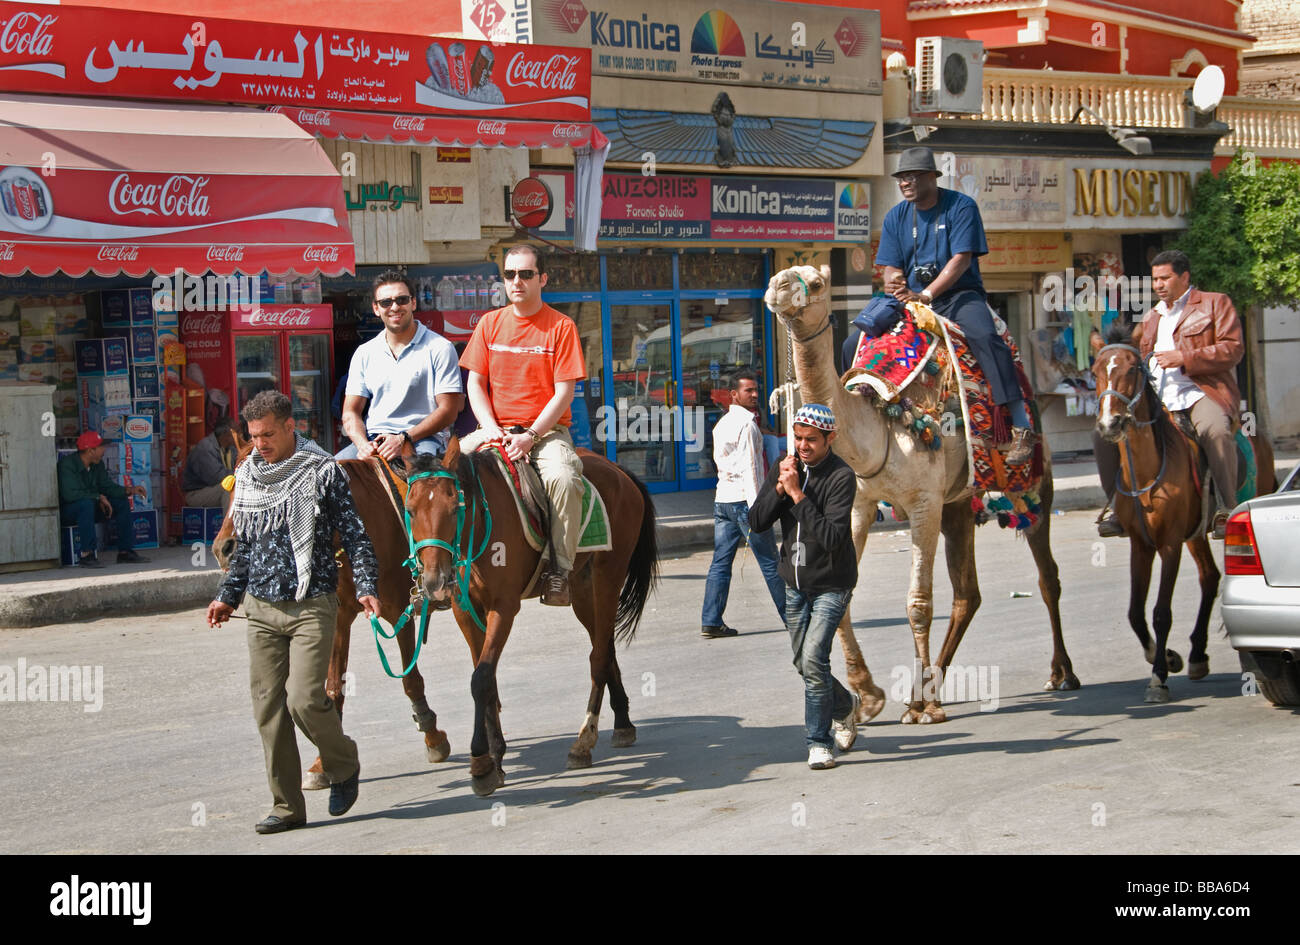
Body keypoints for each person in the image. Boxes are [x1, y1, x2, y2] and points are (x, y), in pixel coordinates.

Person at [207, 390, 380, 835]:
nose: (259, 443)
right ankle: (286, 807)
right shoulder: (248, 473)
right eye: (253, 435)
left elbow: (357, 536)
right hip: (261, 609)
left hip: (311, 602)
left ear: (289, 427)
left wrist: (364, 587)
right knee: (268, 709)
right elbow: (244, 544)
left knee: (304, 698)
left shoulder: (322, 472)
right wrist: (228, 595)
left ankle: (343, 763)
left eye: (267, 435)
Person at [875, 146, 1036, 465]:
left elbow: (961, 260)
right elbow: (890, 265)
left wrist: (927, 295)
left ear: (932, 177)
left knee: (986, 337)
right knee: (860, 338)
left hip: (957, 296)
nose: (905, 182)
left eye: (912, 176)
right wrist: (893, 281)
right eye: (901, 177)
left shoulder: (961, 206)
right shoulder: (895, 216)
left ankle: (1021, 425)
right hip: (911, 300)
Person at [459, 244, 586, 607]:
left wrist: (531, 436)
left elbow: (564, 393)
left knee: (563, 478)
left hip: (545, 433)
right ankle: (443, 569)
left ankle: (560, 572)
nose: (517, 281)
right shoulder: (489, 324)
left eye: (526, 274)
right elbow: (475, 385)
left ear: (542, 279)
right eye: (510, 274)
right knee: (445, 476)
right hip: (495, 428)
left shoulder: (561, 326)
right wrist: (491, 427)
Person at [1095, 249, 1244, 540]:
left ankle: (1227, 508)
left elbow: (1232, 348)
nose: (1159, 285)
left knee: (1215, 431)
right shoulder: (1151, 318)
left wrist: (1184, 357)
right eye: (1155, 279)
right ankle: (1117, 506)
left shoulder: (1215, 304)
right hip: (1158, 400)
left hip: (1202, 394)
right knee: (1101, 436)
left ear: (1184, 277)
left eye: (1165, 278)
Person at [749, 403, 860, 770]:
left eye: (811, 439)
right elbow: (758, 522)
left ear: (830, 438)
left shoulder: (841, 477)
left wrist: (797, 496)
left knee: (814, 659)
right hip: (793, 584)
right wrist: (779, 488)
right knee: (804, 662)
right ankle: (845, 705)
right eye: (797, 438)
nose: (802, 446)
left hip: (832, 584)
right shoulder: (788, 466)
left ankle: (818, 741)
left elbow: (831, 537)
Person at [338, 269, 464, 461]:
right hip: (374, 440)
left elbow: (448, 411)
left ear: (413, 303)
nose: (394, 307)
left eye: (401, 300)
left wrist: (403, 438)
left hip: (423, 440)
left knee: (426, 483)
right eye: (386, 302)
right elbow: (350, 412)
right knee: (328, 476)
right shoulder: (364, 353)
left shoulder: (440, 347)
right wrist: (362, 445)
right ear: (376, 308)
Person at [700, 368, 785, 638]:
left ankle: (711, 620)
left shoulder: (722, 423)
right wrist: (760, 507)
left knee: (720, 562)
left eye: (755, 389)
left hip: (723, 500)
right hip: (744, 502)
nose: (754, 394)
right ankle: (793, 617)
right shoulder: (747, 424)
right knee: (771, 563)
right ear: (733, 395)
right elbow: (751, 469)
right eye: (748, 390)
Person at [57, 430, 149, 568]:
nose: (104, 450)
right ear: (90, 451)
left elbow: (106, 486)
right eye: (101, 447)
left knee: (120, 502)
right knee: (85, 504)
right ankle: (87, 555)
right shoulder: (67, 465)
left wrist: (129, 490)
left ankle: (125, 552)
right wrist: (97, 497)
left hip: (92, 506)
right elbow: (70, 494)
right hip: (70, 511)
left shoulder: (97, 464)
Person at [181, 418, 237, 509]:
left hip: (213, 489)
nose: (240, 435)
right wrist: (239, 475)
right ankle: (230, 523)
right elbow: (216, 478)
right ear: (226, 434)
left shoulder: (231, 449)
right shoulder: (205, 448)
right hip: (196, 493)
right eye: (237, 432)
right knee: (228, 488)